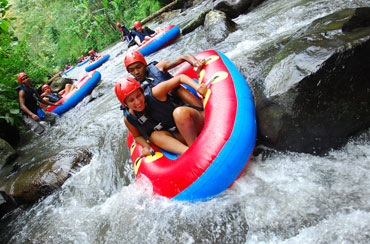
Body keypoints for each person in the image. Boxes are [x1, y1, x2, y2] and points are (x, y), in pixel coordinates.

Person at [115, 75, 207, 155]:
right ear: (125, 104)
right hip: (179, 133)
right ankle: (188, 152)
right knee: (154, 136)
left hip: (194, 122)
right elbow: (137, 137)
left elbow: (180, 78)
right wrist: (146, 146)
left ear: (142, 92)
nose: (138, 102)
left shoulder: (155, 93)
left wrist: (197, 87)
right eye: (131, 100)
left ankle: (195, 148)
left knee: (179, 113)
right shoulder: (129, 118)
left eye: (139, 95)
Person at [124, 51, 205, 108]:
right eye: (132, 70)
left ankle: (201, 110)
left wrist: (195, 62)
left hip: (180, 97)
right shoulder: (135, 87)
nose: (136, 72)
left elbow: (184, 57)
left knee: (176, 89)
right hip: (166, 108)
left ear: (144, 64)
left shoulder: (158, 67)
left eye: (138, 67)